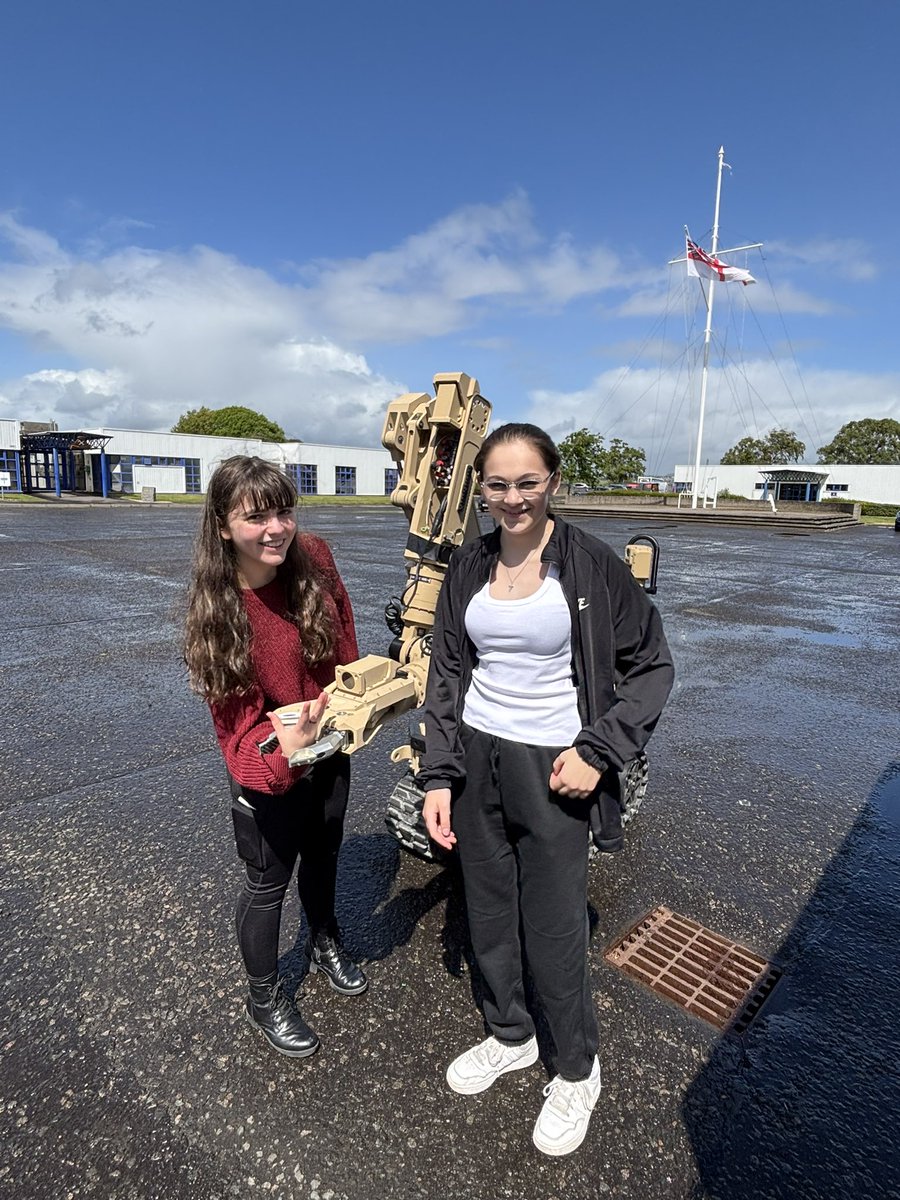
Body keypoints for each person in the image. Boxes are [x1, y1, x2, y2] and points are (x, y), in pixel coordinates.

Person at [420, 423, 674, 1156]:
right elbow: (445, 674)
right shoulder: (470, 564)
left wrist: (600, 751)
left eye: (527, 482)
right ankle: (511, 1035)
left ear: (552, 482)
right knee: (489, 908)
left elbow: (653, 667)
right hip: (477, 759)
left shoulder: (591, 567)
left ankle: (576, 1069)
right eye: (497, 485)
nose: (512, 498)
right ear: (482, 490)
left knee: (556, 926)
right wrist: (440, 772)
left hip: (556, 767)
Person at [184, 455, 367, 1059]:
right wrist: (282, 756)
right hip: (272, 766)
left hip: (329, 746)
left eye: (283, 511)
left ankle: (323, 937)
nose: (276, 529)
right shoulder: (218, 612)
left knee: (324, 853)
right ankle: (263, 997)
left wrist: (348, 704)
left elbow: (343, 645)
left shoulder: (314, 555)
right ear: (221, 526)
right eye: (255, 517)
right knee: (268, 884)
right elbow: (237, 736)